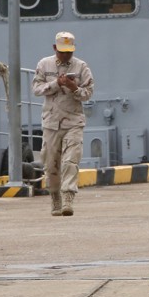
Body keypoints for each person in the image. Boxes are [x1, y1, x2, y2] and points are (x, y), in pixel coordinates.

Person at [31, 30, 95, 217]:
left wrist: (74, 87)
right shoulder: (44, 64)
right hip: (51, 122)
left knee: (70, 161)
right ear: (55, 48)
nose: (66, 55)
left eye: (69, 51)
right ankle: (55, 197)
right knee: (50, 165)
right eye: (62, 51)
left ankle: (68, 197)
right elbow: (36, 89)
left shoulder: (81, 67)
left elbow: (88, 93)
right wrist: (56, 84)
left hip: (73, 122)